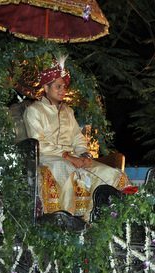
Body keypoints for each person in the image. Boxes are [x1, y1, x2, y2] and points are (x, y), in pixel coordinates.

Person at [23, 58, 130, 220]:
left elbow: (78, 138)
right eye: (58, 86)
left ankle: (93, 221)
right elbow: (39, 144)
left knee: (112, 174)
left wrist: (84, 155)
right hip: (50, 158)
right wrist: (67, 156)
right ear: (46, 88)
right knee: (65, 168)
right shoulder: (34, 111)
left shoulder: (68, 111)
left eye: (64, 86)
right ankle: (66, 222)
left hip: (74, 159)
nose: (62, 90)